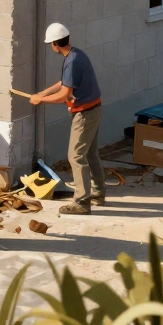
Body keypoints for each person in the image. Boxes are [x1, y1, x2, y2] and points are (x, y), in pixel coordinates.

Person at [31, 23, 104, 215]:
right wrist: (43, 92)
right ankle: (97, 193)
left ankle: (82, 202)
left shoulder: (71, 61)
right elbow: (65, 81)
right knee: (90, 153)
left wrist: (41, 99)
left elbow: (64, 94)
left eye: (51, 44)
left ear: (55, 44)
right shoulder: (76, 55)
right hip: (94, 108)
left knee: (76, 156)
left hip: (85, 113)